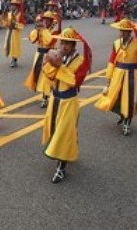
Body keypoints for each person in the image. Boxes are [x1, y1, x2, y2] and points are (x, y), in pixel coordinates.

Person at [41, 27, 91, 183]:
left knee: (64, 133)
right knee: (55, 129)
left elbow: (74, 81)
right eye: (63, 42)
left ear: (74, 45)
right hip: (55, 99)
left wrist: (59, 66)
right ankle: (66, 151)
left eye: (68, 43)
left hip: (69, 102)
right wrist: (50, 61)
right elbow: (48, 73)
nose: (64, 46)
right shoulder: (57, 55)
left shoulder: (81, 61)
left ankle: (61, 167)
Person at [95, 18, 137, 136]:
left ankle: (127, 123)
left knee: (129, 100)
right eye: (121, 31)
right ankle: (121, 114)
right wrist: (109, 79)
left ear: (130, 31)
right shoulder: (116, 43)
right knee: (117, 97)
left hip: (132, 74)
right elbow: (111, 61)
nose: (122, 33)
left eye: (125, 31)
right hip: (118, 73)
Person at [24, 11, 57, 108]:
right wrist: (37, 29)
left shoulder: (53, 30)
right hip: (39, 55)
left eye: (47, 20)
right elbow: (32, 39)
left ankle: (45, 97)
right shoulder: (41, 29)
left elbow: (49, 41)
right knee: (38, 76)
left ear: (51, 21)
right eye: (44, 20)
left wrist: (44, 29)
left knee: (47, 77)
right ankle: (46, 95)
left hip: (49, 55)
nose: (45, 21)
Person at [0, 0, 25, 68]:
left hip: (15, 32)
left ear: (17, 6)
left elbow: (22, 25)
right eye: (12, 5)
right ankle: (13, 59)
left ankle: (14, 60)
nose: (12, 6)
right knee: (8, 46)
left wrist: (16, 25)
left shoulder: (20, 14)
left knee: (15, 47)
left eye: (14, 5)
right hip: (9, 32)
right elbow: (6, 22)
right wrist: (4, 20)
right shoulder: (9, 14)